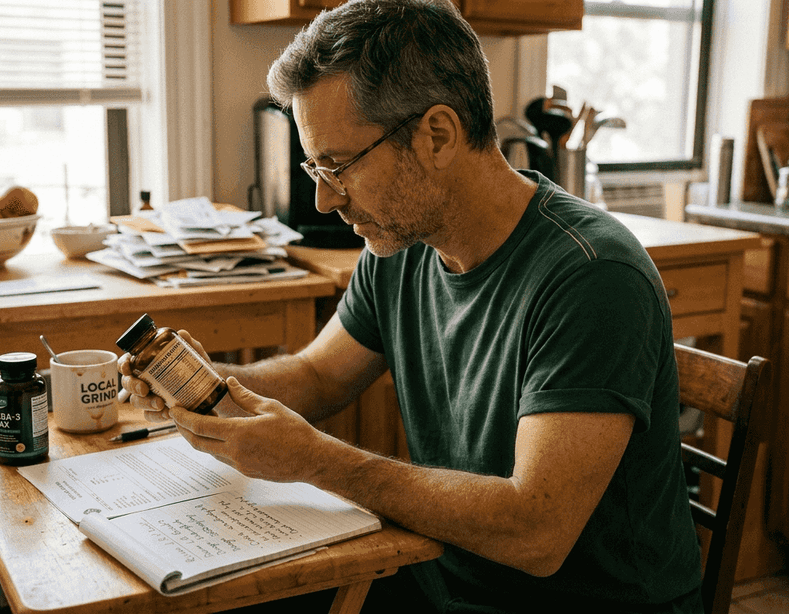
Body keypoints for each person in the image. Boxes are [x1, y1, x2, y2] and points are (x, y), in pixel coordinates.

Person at [119, 0, 704, 611]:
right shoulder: (401, 245)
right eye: (314, 166)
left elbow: (537, 532)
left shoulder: (592, 276)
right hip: (440, 576)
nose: (322, 200)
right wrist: (203, 383)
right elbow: (318, 376)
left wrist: (317, 460)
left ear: (438, 136)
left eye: (338, 166)